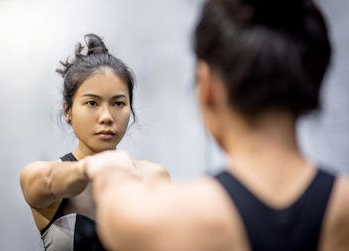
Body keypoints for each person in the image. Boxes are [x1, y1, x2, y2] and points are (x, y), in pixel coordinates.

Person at [80, 1, 349, 251]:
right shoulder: (342, 206)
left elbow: (115, 207)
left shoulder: (166, 217)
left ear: (207, 85)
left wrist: (109, 169)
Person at [19, 33, 169, 251]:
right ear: (68, 111)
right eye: (92, 103)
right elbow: (49, 180)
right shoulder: (41, 176)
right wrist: (88, 169)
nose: (107, 116)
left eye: (118, 103)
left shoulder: (154, 176)